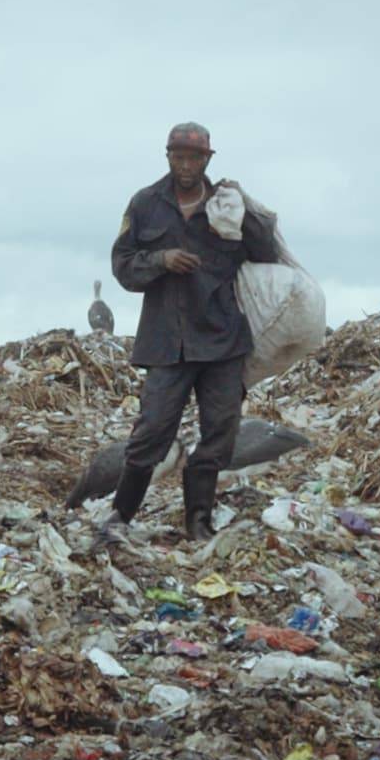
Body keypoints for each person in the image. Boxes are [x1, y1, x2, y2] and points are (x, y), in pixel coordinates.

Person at [104, 121, 281, 542]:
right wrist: (161, 260)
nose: (186, 165)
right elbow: (123, 267)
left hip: (222, 339)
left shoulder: (225, 204)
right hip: (167, 342)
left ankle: (197, 521)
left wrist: (246, 209)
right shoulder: (145, 204)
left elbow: (265, 255)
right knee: (151, 431)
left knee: (220, 432)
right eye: (178, 156)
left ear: (207, 160)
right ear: (167, 157)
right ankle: (120, 516)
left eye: (194, 158)